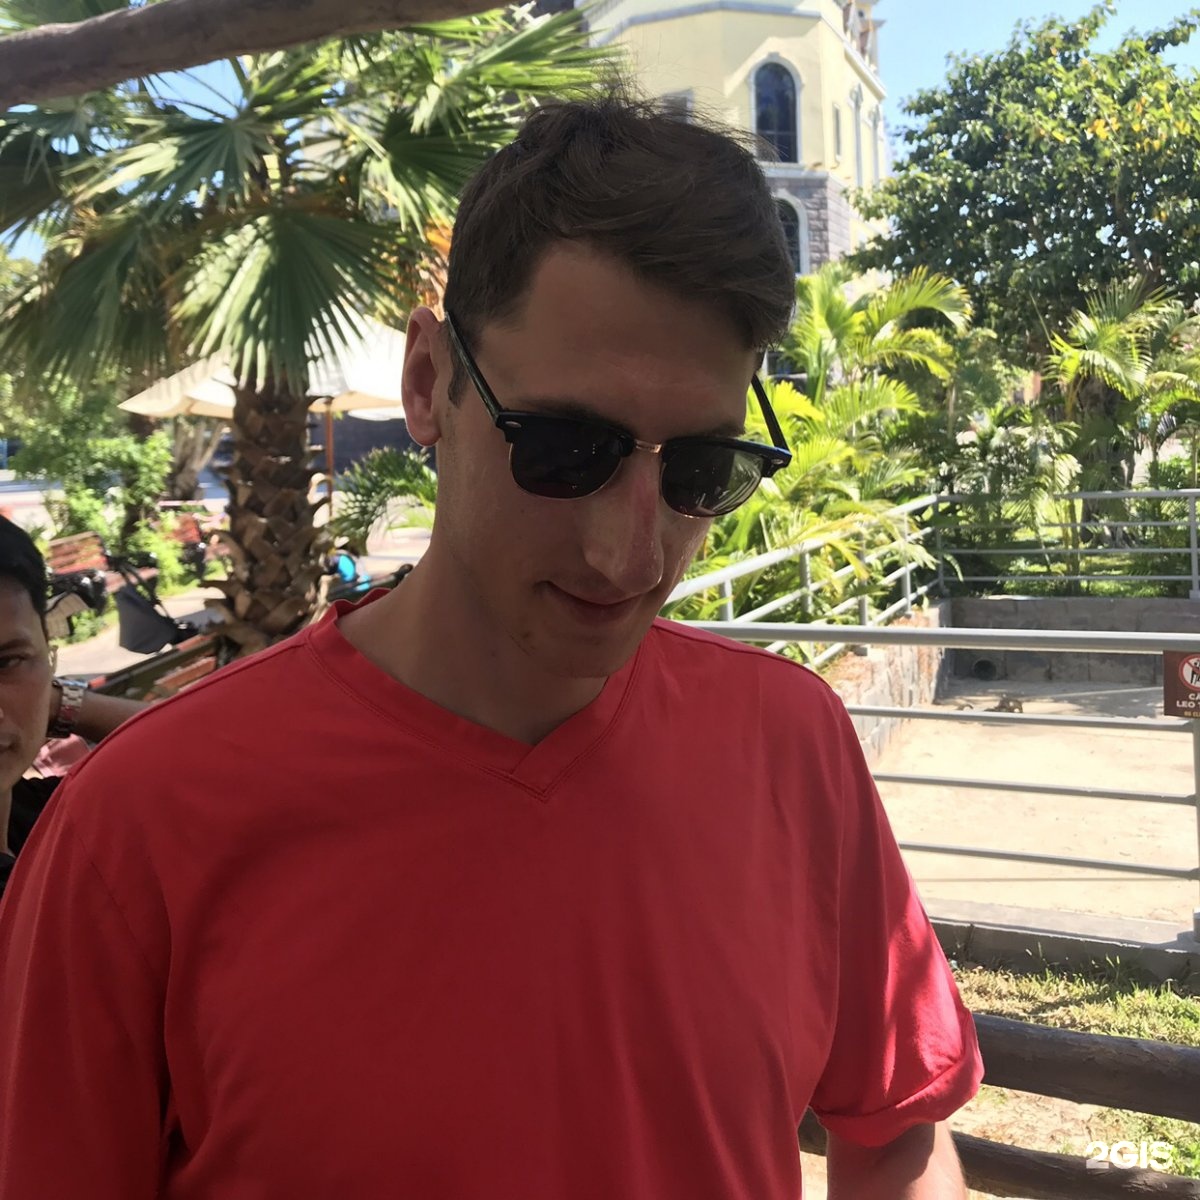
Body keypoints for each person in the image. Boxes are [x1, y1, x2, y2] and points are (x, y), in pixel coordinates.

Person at [0, 95, 982, 1198]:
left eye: (702, 469)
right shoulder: (141, 827)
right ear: (430, 383)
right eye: (564, 449)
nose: (630, 553)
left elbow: (898, 1128)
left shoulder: (790, 746)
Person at [0, 517, 145, 900]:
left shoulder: (49, 818)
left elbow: (208, 756)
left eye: (6, 662)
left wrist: (55, 701)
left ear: (49, 655)